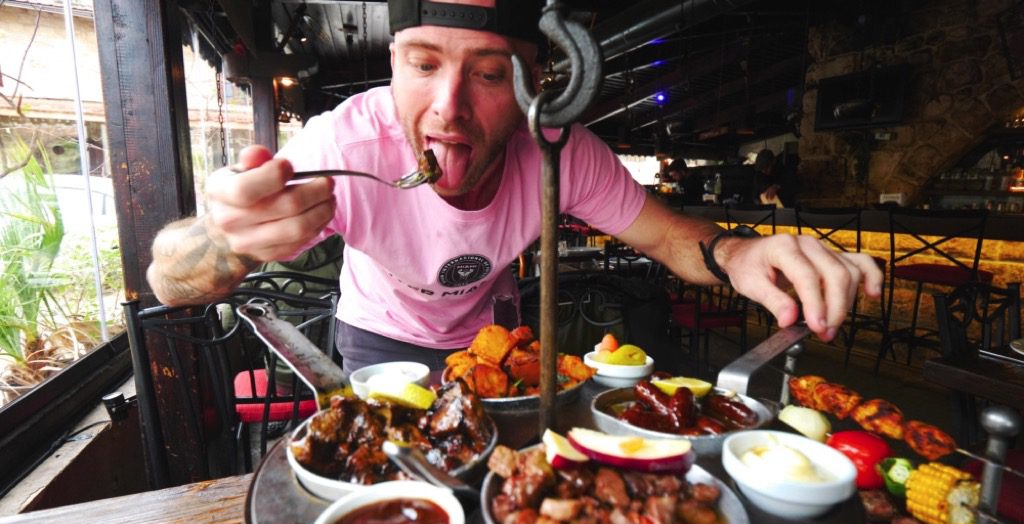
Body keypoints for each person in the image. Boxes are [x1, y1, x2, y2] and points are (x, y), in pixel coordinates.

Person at [147, 0, 882, 375]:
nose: (449, 106)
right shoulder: (343, 143)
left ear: (536, 85)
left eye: (491, 74)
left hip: (494, 339)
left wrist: (738, 253)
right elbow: (169, 281)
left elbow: (667, 238)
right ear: (395, 63)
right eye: (423, 63)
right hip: (376, 340)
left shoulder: (558, 152)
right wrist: (225, 238)